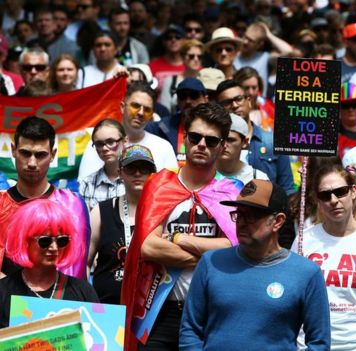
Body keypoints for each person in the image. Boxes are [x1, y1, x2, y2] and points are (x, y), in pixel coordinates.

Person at [121, 103, 242, 351]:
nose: (201, 145)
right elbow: (149, 247)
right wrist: (209, 256)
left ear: (222, 146)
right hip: (161, 313)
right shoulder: (159, 185)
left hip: (212, 315)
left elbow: (234, 249)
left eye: (211, 141)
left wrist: (177, 238)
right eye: (196, 137)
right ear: (184, 138)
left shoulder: (231, 192)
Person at [180, 179, 331, 350]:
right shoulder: (210, 263)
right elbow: (190, 330)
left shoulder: (306, 274)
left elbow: (319, 342)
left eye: (251, 215)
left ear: (278, 221)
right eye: (239, 214)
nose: (242, 222)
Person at [292, 163, 356, 351]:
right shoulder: (304, 240)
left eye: (340, 192)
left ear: (354, 192)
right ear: (317, 200)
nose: (333, 200)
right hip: (312, 345)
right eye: (325, 195)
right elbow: (293, 298)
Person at [0, 117, 89, 279]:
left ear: (53, 154)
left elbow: (74, 267)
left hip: (58, 302)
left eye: (40, 155)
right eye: (25, 153)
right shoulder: (1, 205)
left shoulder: (71, 205)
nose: (32, 163)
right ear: (13, 150)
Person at [0, 199, 98, 328]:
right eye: (44, 241)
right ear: (25, 241)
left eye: (61, 240)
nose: (54, 247)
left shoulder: (83, 291)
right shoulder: (3, 290)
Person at [88, 145, 156, 304]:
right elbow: (84, 262)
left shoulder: (165, 213)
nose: (138, 173)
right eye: (131, 168)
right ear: (120, 173)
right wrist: (89, 301)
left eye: (144, 168)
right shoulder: (101, 212)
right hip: (106, 309)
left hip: (149, 314)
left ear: (153, 174)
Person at [79, 81, 178, 179]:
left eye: (147, 109)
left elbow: (172, 189)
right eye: (135, 106)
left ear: (152, 115)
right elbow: (84, 186)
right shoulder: (99, 144)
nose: (141, 113)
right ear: (122, 107)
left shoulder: (164, 147)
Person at [215, 79, 295, 194]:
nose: (234, 105)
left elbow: (287, 188)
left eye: (238, 99)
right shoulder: (213, 143)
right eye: (227, 102)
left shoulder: (273, 141)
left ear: (249, 101)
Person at [79, 119, 127, 210]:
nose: (105, 148)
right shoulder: (88, 184)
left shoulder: (137, 179)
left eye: (111, 142)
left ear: (125, 141)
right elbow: (86, 222)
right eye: (99, 144)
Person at [217, 113, 268, 183]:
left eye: (231, 140)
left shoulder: (259, 178)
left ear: (245, 142)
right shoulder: (202, 173)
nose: (224, 145)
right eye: (221, 139)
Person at [159, 39, 203, 114]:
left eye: (199, 56)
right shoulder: (171, 81)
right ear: (182, 57)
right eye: (191, 56)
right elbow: (164, 111)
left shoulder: (206, 80)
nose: (196, 59)